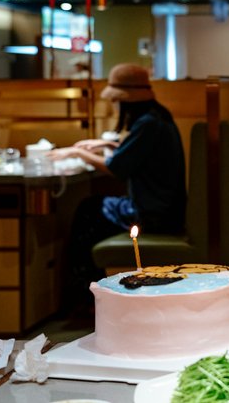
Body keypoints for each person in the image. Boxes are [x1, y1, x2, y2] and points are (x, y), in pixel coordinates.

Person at [49, 63, 187, 301]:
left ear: (126, 100)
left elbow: (117, 168)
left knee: (88, 210)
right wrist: (104, 145)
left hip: (152, 214)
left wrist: (77, 152)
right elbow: (136, 152)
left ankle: (85, 294)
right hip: (168, 209)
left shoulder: (147, 124)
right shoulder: (158, 117)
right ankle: (90, 290)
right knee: (91, 208)